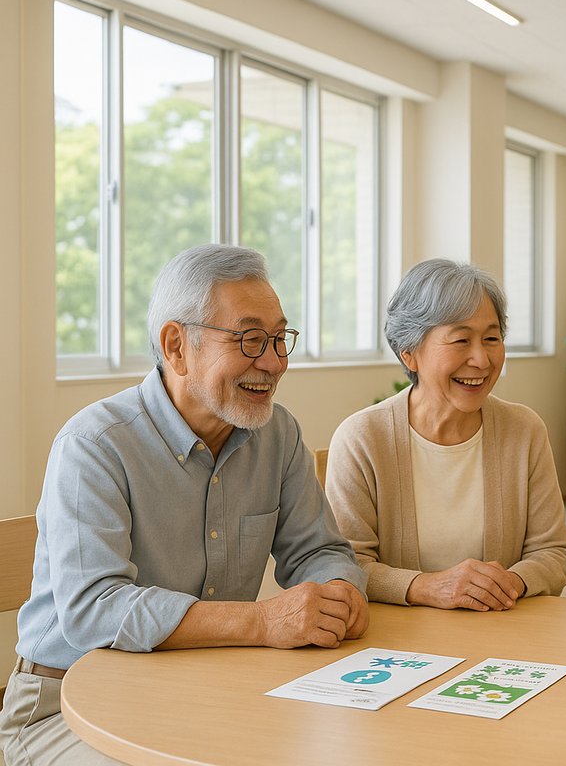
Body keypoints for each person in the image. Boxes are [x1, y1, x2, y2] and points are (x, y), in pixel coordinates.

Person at [0, 244, 368, 766]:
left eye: (279, 338)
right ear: (176, 346)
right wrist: (262, 622)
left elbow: (318, 551)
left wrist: (338, 594)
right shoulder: (95, 444)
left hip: (209, 687)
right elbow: (91, 608)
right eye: (249, 339)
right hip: (64, 705)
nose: (274, 362)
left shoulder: (278, 434)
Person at [325, 259, 566, 611]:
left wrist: (506, 584)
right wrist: (428, 587)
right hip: (397, 642)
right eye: (460, 340)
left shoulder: (524, 430)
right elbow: (347, 563)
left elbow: (553, 553)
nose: (482, 360)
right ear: (409, 353)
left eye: (491, 338)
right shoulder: (363, 438)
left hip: (502, 629)